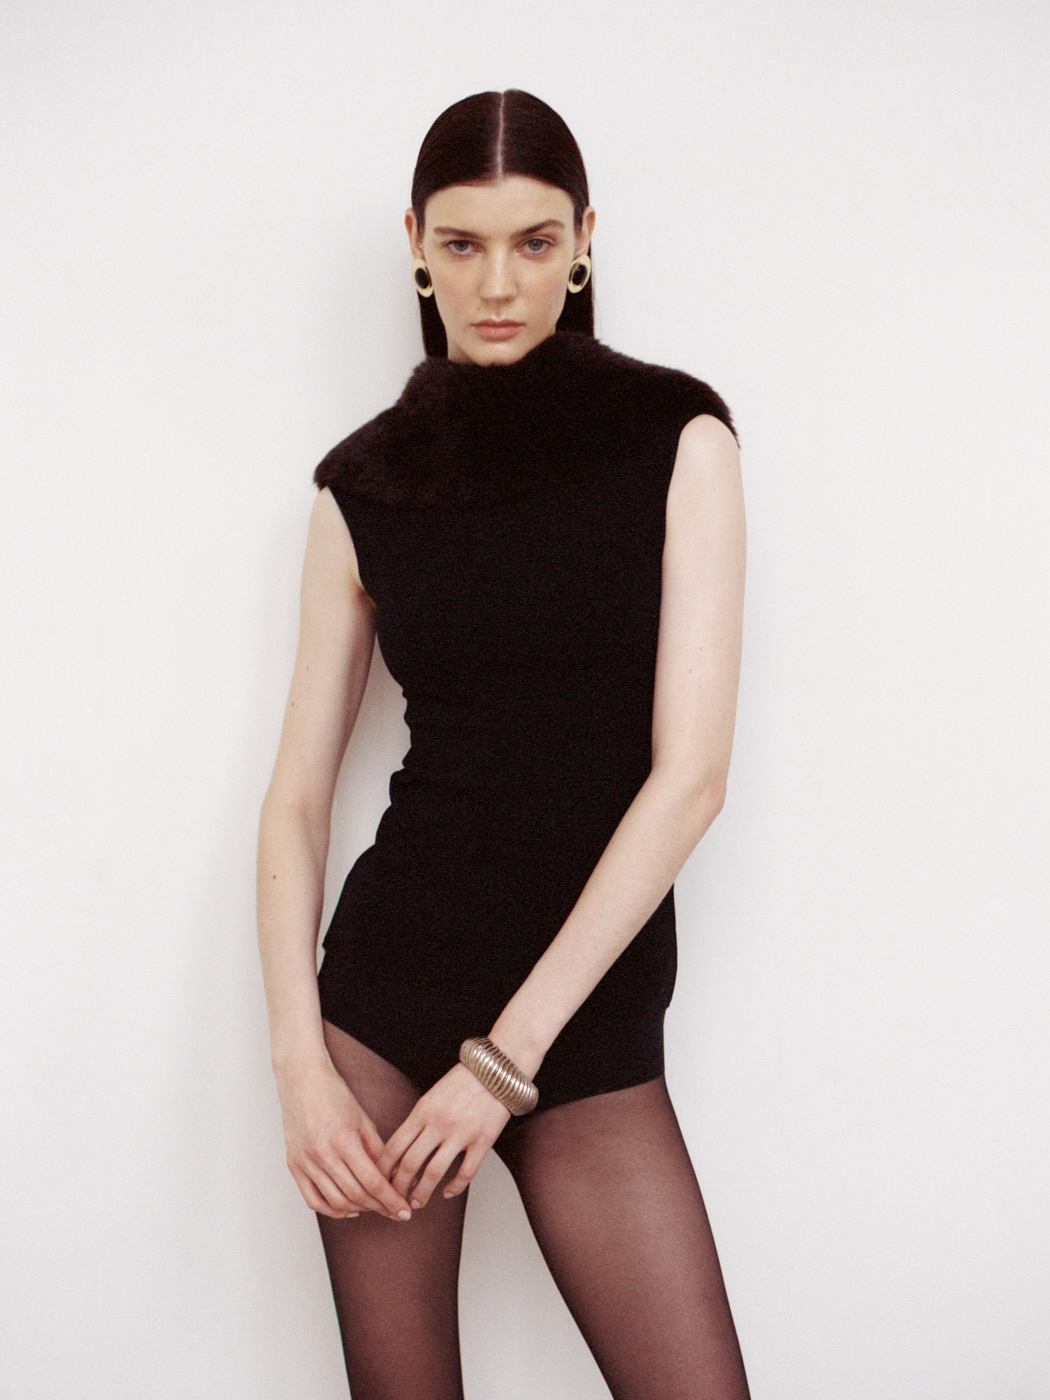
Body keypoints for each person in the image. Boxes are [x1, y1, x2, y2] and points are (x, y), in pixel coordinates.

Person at [257, 89, 750, 1400]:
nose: (496, 284)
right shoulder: (359, 487)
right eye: (462, 245)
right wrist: (300, 1065)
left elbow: (691, 779)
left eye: (533, 243)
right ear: (415, 246)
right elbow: (297, 797)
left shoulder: (679, 441)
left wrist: (503, 1061)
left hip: (576, 1024)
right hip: (385, 1007)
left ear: (583, 240)